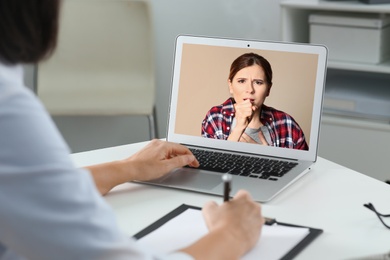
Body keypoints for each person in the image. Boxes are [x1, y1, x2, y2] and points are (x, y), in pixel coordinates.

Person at [0, 1, 265, 260]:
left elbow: (32, 189)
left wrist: (129, 167)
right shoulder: (8, 109)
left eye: (258, 82)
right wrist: (234, 234)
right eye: (242, 81)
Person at [201, 52, 309, 150]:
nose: (250, 90)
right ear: (231, 86)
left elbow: (306, 168)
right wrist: (239, 128)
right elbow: (211, 166)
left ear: (268, 89)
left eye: (258, 82)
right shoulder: (215, 117)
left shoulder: (287, 124)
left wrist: (269, 159)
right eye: (242, 81)